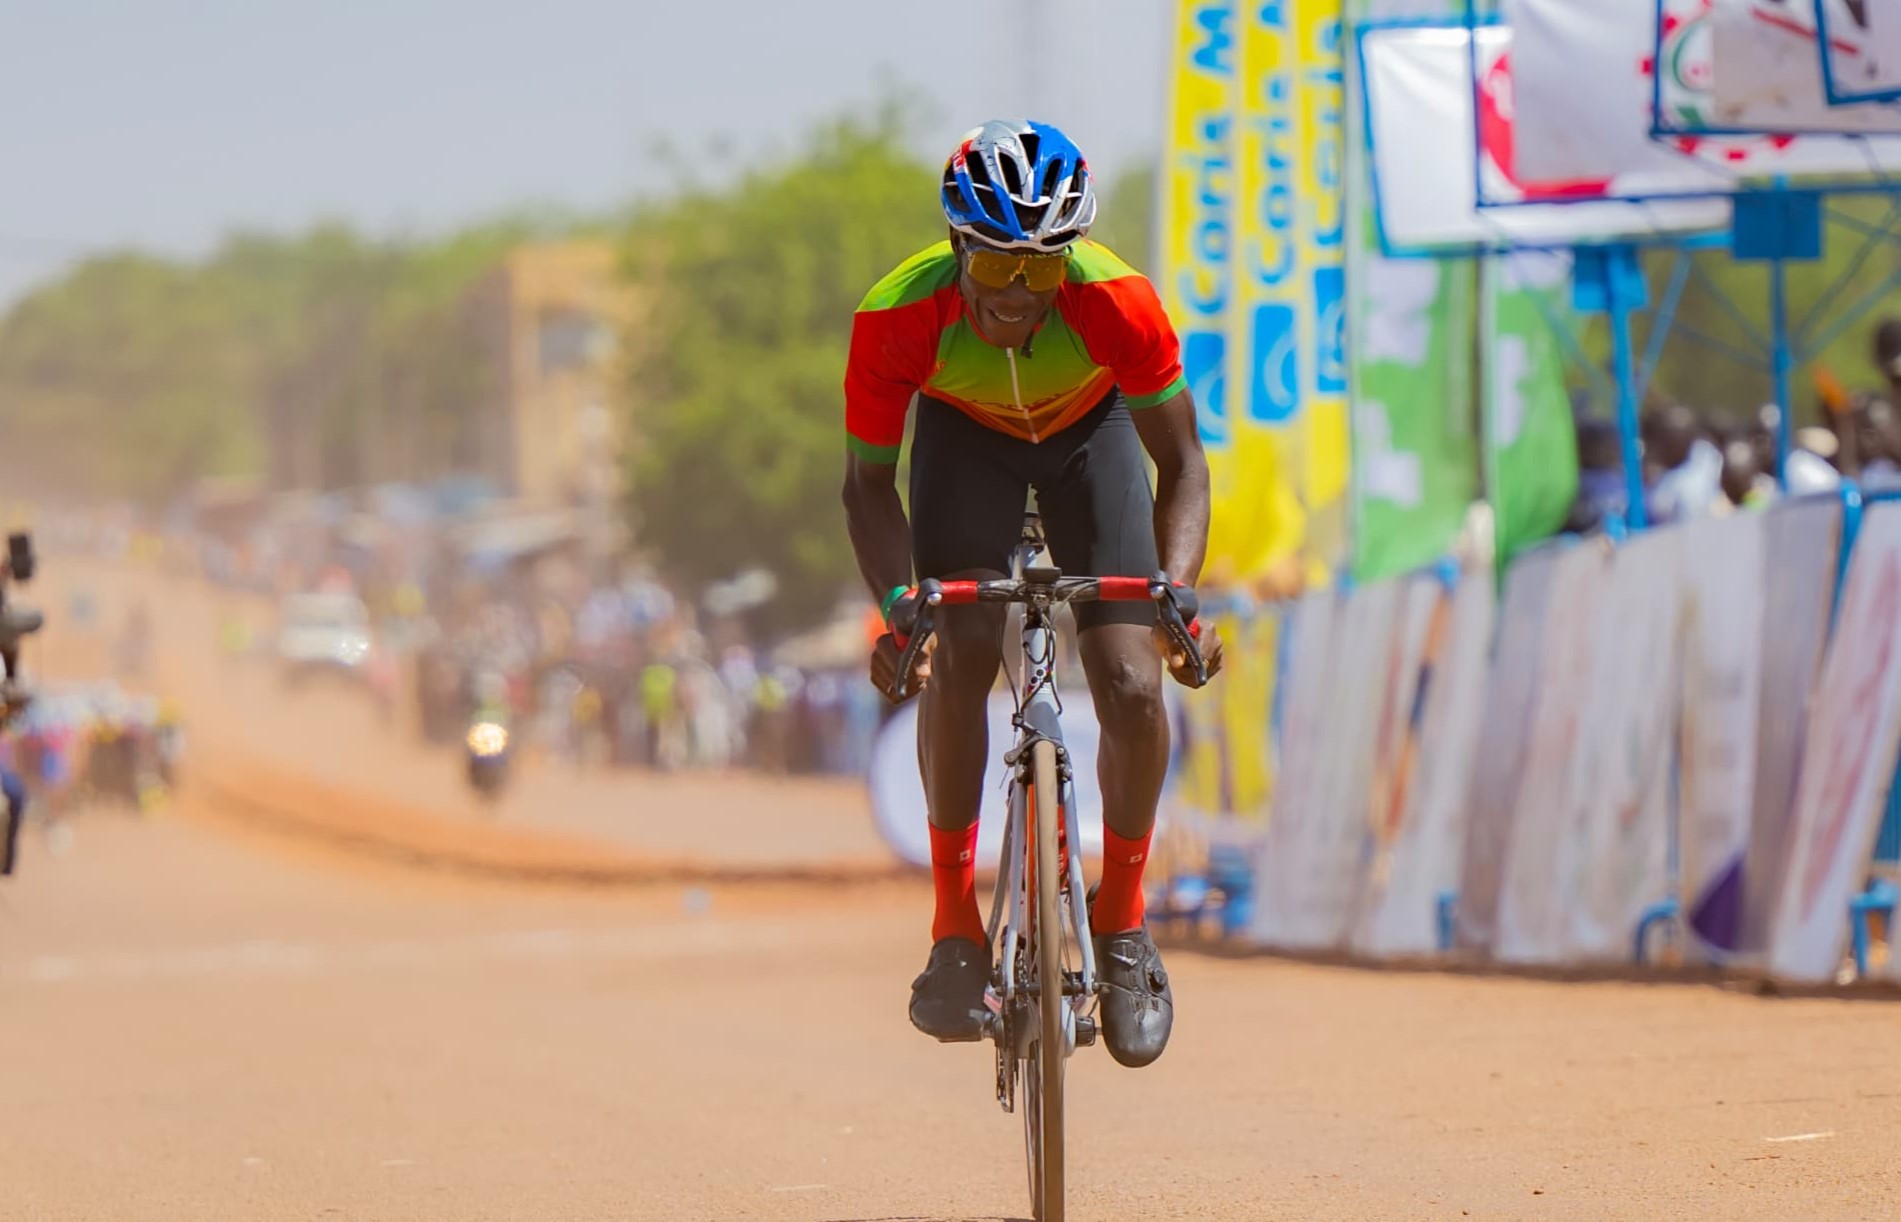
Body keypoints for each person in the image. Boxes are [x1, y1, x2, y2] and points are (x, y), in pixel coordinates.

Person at [839, 120, 1225, 1068]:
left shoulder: (1116, 302)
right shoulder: (896, 315)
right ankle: (952, 930)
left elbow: (1182, 464)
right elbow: (866, 487)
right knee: (960, 648)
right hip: (962, 439)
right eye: (996, 266)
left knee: (1130, 681)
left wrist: (1175, 597)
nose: (1017, 294)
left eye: (1042, 269)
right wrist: (900, 609)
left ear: (1071, 260)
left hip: (1090, 435)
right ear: (956, 247)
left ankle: (1122, 924)